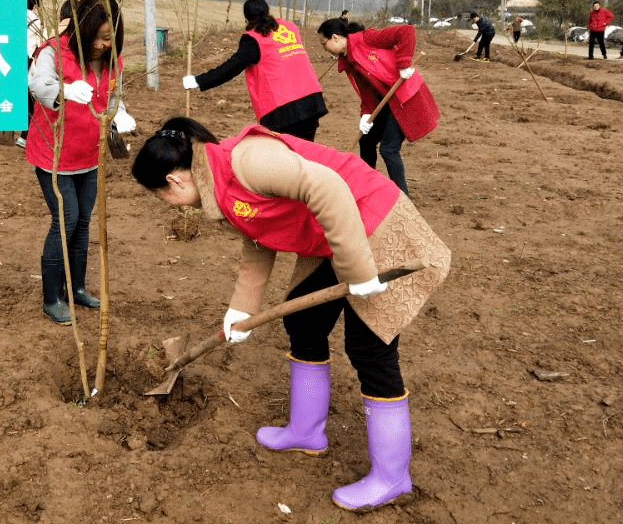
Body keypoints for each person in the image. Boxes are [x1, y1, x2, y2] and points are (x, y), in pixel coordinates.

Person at [131, 117, 451, 512]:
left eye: (160, 197)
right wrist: (240, 308)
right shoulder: (216, 184)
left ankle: (392, 477)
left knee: (370, 348)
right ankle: (306, 431)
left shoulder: (247, 160)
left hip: (374, 224)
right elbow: (257, 238)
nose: (170, 207)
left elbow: (328, 187)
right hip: (331, 236)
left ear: (174, 181)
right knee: (303, 323)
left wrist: (359, 271)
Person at [25, 0, 129, 323]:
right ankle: (52, 296)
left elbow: (113, 96)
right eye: (98, 38)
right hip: (54, 153)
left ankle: (78, 288)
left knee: (83, 220)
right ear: (84, 30)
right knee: (66, 219)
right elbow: (36, 82)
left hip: (89, 152)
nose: (103, 46)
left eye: (109, 39)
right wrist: (63, 91)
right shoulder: (55, 51)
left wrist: (120, 114)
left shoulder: (113, 60)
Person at [316, 19, 438, 195]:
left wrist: (403, 64)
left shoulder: (367, 39)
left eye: (324, 44)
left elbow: (406, 31)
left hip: (404, 96)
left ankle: (402, 197)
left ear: (334, 38)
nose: (324, 49)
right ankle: (368, 187)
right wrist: (366, 114)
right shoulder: (348, 59)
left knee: (388, 149)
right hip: (387, 100)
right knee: (366, 139)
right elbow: (366, 90)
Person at [183, 0, 327, 141]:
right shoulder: (290, 27)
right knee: (305, 156)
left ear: (246, 17)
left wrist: (198, 81)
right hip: (311, 102)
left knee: (285, 158)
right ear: (267, 10)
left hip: (283, 111)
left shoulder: (253, 39)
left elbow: (230, 68)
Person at [18, 0, 47, 149]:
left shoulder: (13, 17)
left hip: (9, 64)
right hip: (27, 66)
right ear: (35, 6)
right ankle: (24, 137)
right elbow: (43, 47)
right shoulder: (37, 23)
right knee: (31, 103)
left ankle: (5, 131)